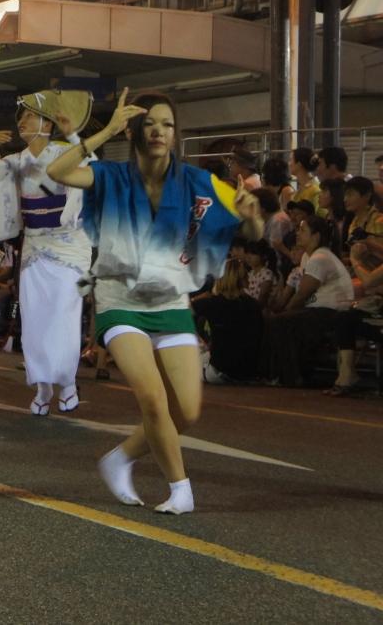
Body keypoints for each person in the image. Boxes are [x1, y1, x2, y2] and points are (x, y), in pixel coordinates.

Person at [47, 89, 260, 515]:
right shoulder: (111, 175)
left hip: (171, 302)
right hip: (119, 298)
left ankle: (120, 458)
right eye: (149, 124)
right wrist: (105, 130)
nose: (159, 131)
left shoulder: (198, 181)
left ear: (175, 133)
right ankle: (181, 489)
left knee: (188, 411)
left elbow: (253, 234)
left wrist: (252, 215)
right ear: (133, 132)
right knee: (153, 398)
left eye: (166, 124)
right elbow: (58, 170)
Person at [0, 89, 94, 415]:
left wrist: (72, 134)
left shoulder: (65, 151)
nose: (22, 122)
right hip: (34, 246)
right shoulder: (16, 160)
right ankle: (43, 387)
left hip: (68, 245)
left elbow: (92, 165)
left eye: (29, 116)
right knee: (34, 321)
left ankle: (68, 382)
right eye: (21, 117)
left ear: (47, 124)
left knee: (64, 316)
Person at [267, 216, 358, 392]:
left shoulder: (320, 257)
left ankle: (291, 377)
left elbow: (302, 294)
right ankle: (291, 374)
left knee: (281, 322)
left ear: (315, 236)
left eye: (303, 230)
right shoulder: (307, 257)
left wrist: (286, 311)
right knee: (283, 320)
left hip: (332, 311)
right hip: (317, 310)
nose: (297, 233)